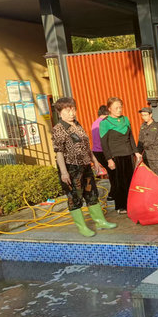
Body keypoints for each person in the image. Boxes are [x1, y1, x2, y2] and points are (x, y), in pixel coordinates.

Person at [51, 97, 117, 237]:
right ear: (60, 112)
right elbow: (59, 153)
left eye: (73, 109)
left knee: (92, 193)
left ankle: (100, 221)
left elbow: (86, 147)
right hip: (71, 168)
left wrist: (95, 161)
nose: (72, 113)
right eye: (68, 111)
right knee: (75, 197)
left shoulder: (77, 125)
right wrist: (64, 172)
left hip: (85, 166)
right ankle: (82, 227)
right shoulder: (58, 129)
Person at [100, 97, 142, 214]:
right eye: (116, 108)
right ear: (109, 109)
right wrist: (109, 159)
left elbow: (131, 137)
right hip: (116, 156)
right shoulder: (105, 123)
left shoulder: (125, 119)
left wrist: (136, 152)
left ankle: (131, 204)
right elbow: (104, 144)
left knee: (130, 181)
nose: (119, 110)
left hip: (128, 154)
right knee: (119, 182)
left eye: (120, 107)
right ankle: (121, 206)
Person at [91, 105, 116, 200]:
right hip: (103, 151)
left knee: (111, 172)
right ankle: (113, 193)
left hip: (96, 151)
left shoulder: (95, 122)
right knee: (114, 172)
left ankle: (113, 193)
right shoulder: (104, 123)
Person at [137, 107, 158, 182]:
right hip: (147, 156)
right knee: (151, 178)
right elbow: (140, 141)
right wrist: (138, 153)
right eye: (142, 115)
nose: (143, 117)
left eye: (145, 115)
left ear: (150, 115)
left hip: (157, 156)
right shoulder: (143, 126)